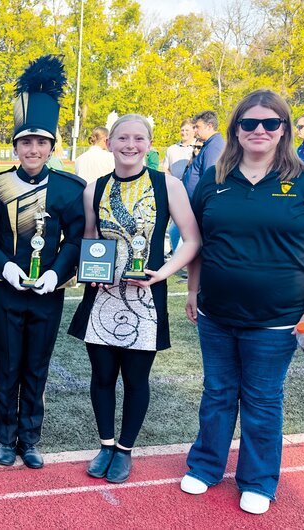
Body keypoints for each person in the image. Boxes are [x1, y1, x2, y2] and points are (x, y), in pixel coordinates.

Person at [180, 90, 304, 514]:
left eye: (270, 123)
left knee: (262, 398)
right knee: (216, 392)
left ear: (284, 129)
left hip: (278, 318)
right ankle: (207, 465)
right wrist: (193, 289)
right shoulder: (215, 177)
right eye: (249, 123)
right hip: (216, 312)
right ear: (236, 129)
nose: (259, 131)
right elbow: (198, 243)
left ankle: (258, 479)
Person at [68, 114, 200, 484]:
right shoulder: (93, 188)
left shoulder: (167, 185)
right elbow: (90, 241)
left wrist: (165, 272)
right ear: (109, 143)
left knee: (136, 379)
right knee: (102, 376)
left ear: (149, 143)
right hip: (103, 299)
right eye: (122, 138)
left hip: (145, 300)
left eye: (138, 138)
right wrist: (90, 274)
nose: (130, 145)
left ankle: (125, 450)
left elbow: (191, 240)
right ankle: (106, 444)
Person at [0, 55, 86, 469]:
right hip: (6, 291)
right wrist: (5, 266)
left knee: (36, 367)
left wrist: (57, 274)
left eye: (41, 142)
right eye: (26, 142)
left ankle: (30, 437)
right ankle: (5, 436)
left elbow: (77, 238)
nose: (34, 149)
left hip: (47, 294)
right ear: (16, 146)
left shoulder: (68, 188)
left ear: (51, 147)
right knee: (7, 366)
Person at [162, 119, 197, 252]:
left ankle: (184, 255)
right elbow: (165, 168)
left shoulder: (198, 147)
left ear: (194, 131)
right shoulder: (172, 149)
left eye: (187, 130)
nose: (184, 133)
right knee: (174, 226)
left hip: (192, 193)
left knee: (188, 226)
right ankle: (176, 253)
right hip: (175, 192)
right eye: (182, 130)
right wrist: (172, 184)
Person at [183, 110, 224, 199]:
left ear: (209, 126)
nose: (195, 130)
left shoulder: (214, 146)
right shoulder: (209, 144)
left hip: (199, 202)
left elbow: (210, 178)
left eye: (198, 127)